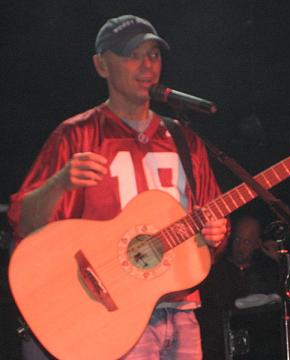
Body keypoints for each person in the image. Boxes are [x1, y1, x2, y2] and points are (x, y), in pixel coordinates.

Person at [7, 14, 228, 360]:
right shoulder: (76, 134)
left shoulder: (184, 139)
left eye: (154, 55)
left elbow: (210, 218)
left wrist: (216, 232)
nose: (147, 66)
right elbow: (23, 222)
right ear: (101, 65)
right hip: (109, 315)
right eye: (132, 55)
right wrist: (59, 183)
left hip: (182, 309)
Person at [197, 214, 281, 359]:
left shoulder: (265, 270)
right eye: (237, 239)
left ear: (257, 244)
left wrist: (279, 262)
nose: (240, 246)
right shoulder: (215, 270)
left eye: (246, 242)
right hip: (221, 350)